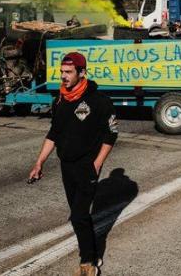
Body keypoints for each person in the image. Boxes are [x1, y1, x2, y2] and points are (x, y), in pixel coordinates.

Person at [28, 52, 117, 276]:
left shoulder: (99, 101)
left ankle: (88, 263)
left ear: (82, 73)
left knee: (78, 215)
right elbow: (53, 133)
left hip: (87, 166)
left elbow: (111, 135)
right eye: (62, 72)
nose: (64, 77)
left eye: (69, 72)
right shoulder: (60, 100)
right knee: (79, 215)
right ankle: (93, 252)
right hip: (66, 166)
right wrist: (39, 162)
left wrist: (97, 164)